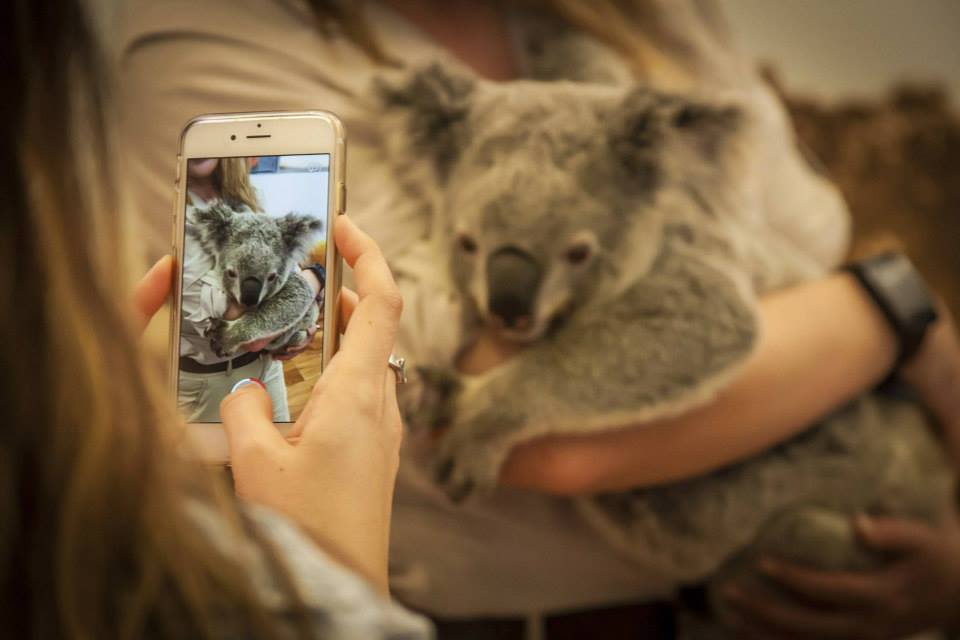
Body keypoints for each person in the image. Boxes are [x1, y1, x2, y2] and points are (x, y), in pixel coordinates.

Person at [117, 1, 960, 637]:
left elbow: (818, 242)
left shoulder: (646, 21)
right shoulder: (219, 41)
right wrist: (884, 309)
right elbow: (522, 425)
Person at [1, 1, 430, 637]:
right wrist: (333, 582)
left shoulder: (251, 216)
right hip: (201, 384)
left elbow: (297, 292)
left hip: (255, 376)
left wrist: (303, 292)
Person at [178, 156, 326, 422]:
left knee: (277, 457)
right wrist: (315, 278)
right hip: (208, 384)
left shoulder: (249, 200)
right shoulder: (179, 218)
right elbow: (249, 334)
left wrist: (297, 331)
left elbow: (283, 277)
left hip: (265, 368)